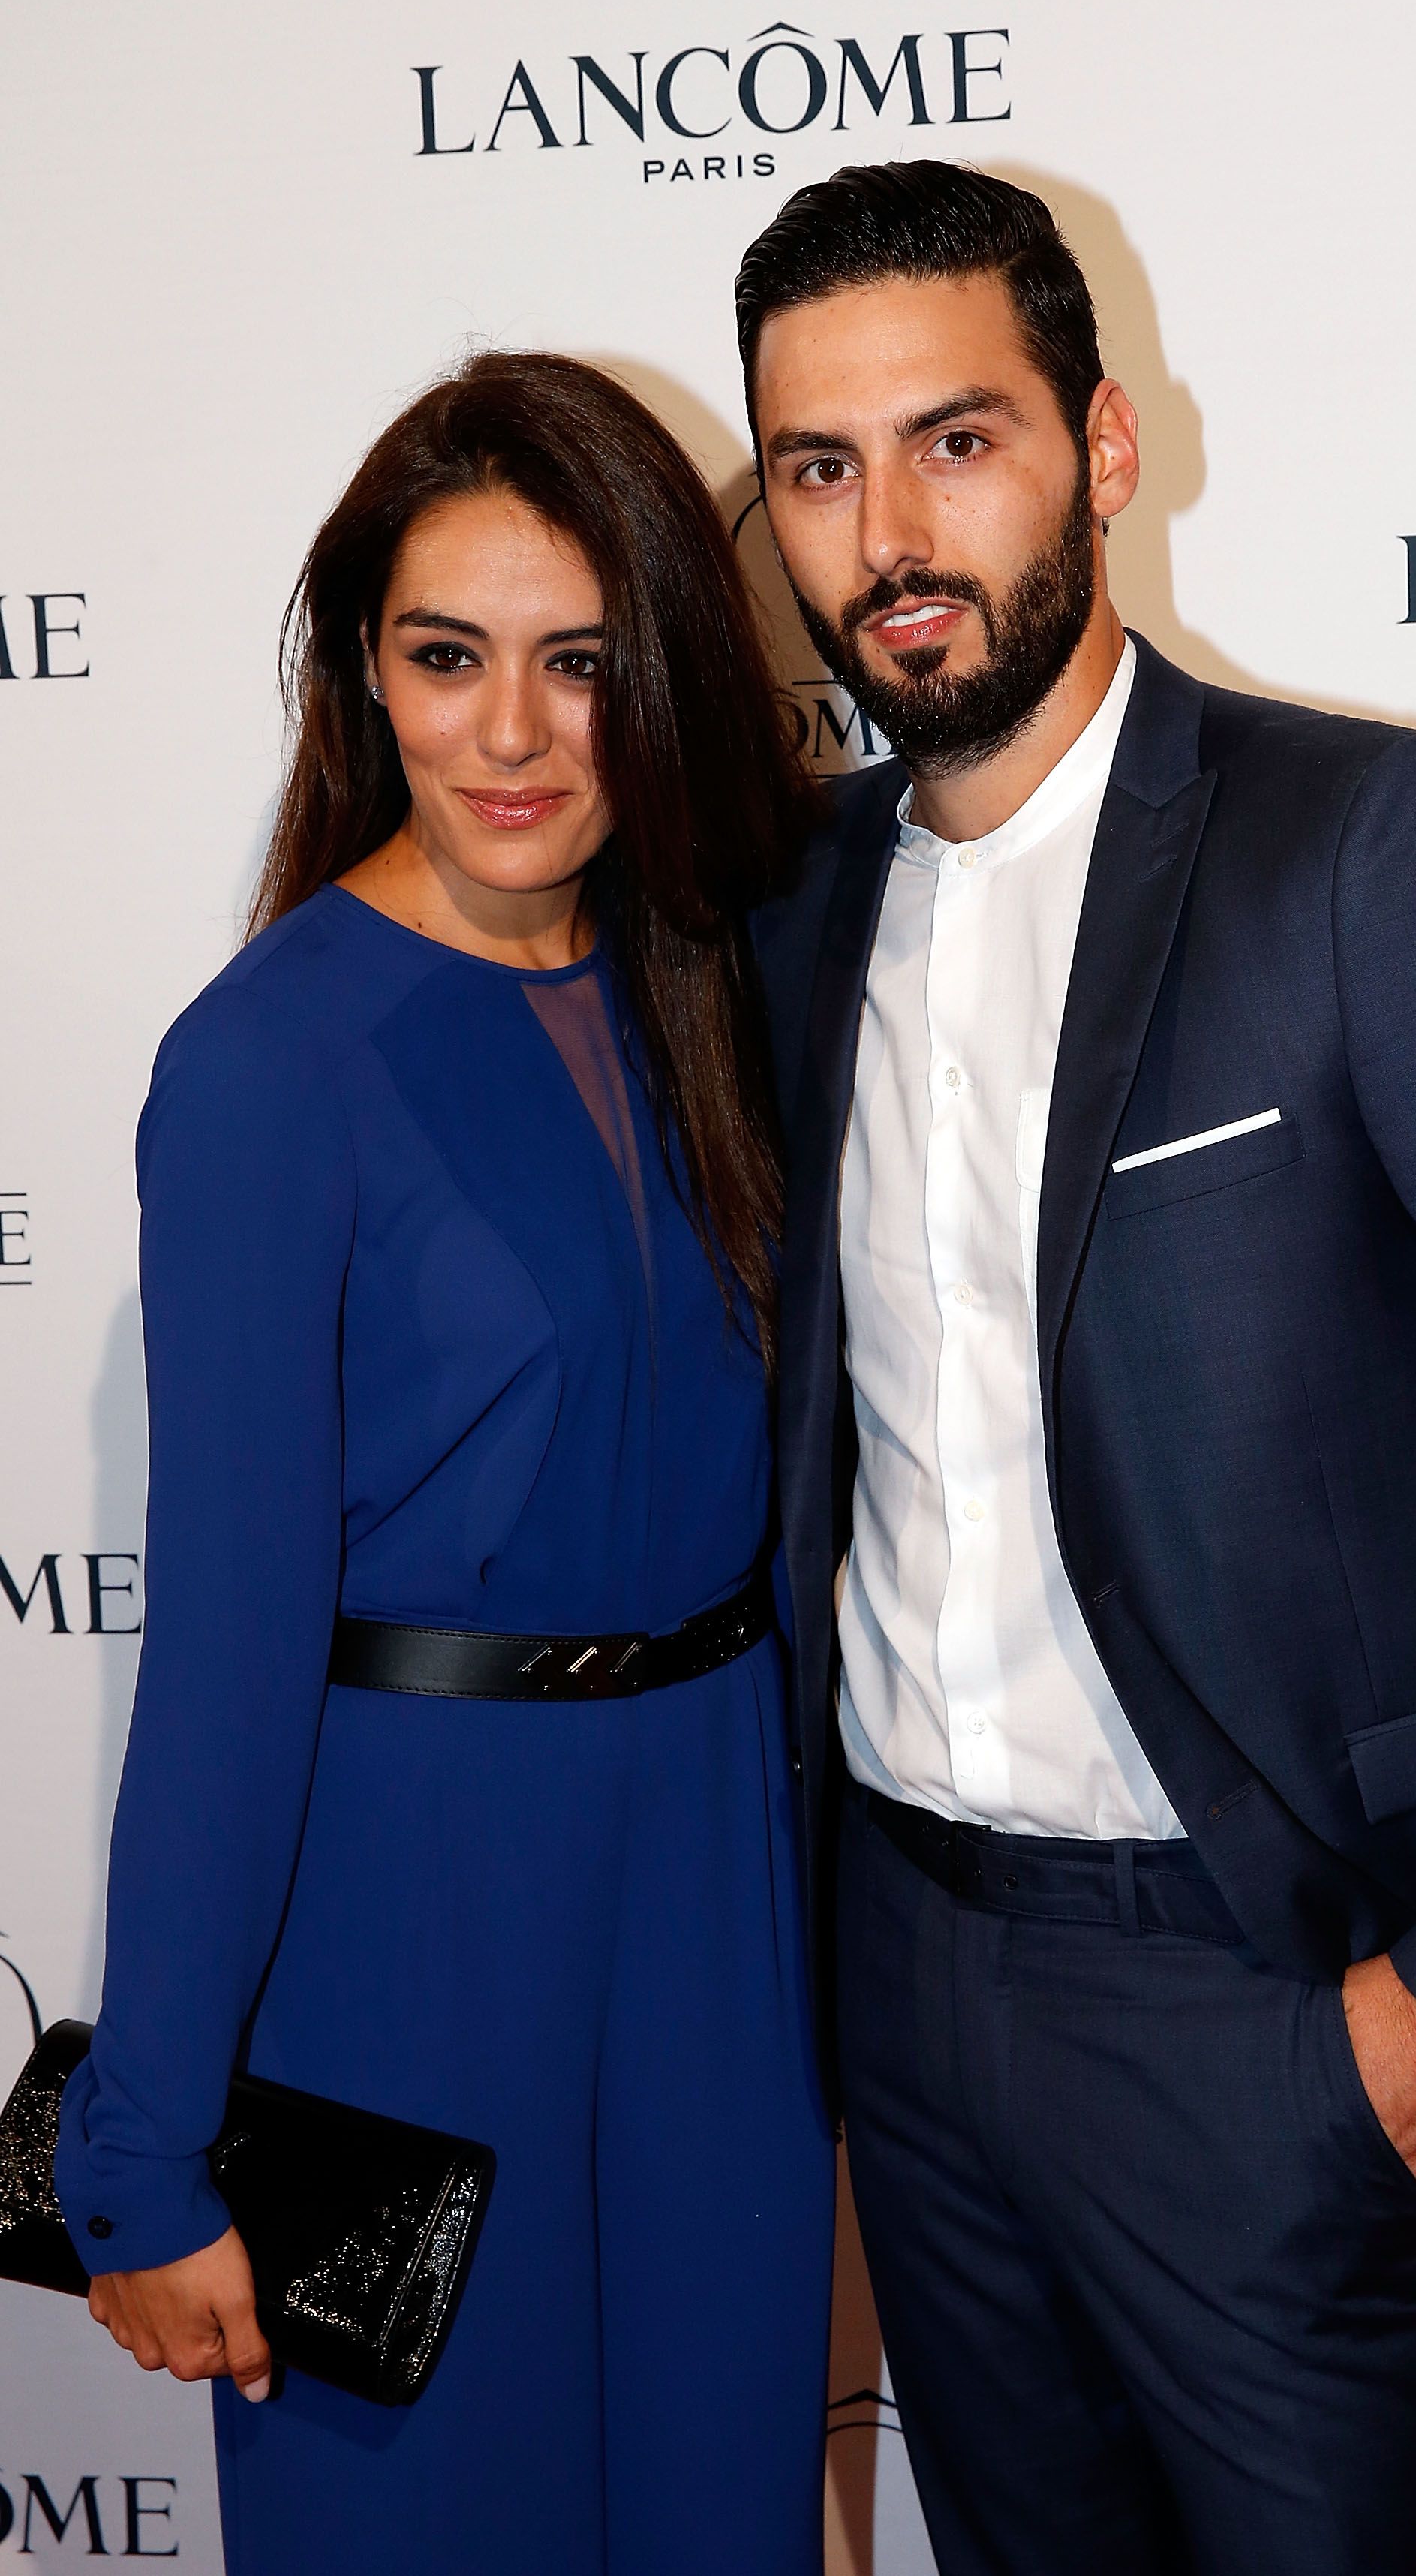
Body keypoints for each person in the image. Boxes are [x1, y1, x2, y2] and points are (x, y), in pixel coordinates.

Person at [735, 161, 1416, 2574]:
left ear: (1102, 446)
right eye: (819, 465)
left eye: (956, 440)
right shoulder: (787, 907)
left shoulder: (1370, 847)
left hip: (1267, 2002)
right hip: (907, 1980)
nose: (892, 527)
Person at [55, 351, 834, 2574]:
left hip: (704, 1897)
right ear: (366, 676)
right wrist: (145, 2150)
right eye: (446, 655)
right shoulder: (271, 1064)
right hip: (409, 1923)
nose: (511, 732)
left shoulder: (711, 979)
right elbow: (216, 1654)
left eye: (581, 662)